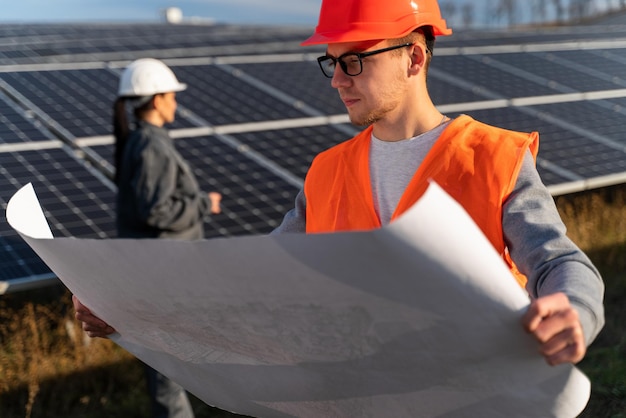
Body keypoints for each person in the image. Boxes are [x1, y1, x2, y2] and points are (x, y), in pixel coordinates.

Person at [75, 0, 604, 400]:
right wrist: (129, 306)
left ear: (414, 57)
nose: (338, 82)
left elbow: (560, 263)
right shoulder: (326, 173)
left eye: (353, 62)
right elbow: (248, 278)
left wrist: (572, 310)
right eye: (332, 64)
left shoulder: (494, 157)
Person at [112, 57, 221, 418]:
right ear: (157, 100)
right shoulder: (150, 147)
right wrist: (204, 203)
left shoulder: (143, 142)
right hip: (161, 278)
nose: (176, 103)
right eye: (171, 96)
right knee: (168, 370)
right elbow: (155, 211)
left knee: (173, 364)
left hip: (160, 272)